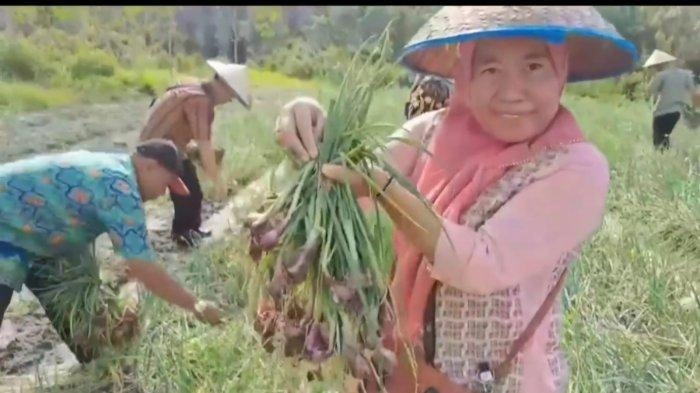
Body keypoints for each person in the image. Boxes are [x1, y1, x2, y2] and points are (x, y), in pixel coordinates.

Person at [273, 6, 637, 393]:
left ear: (560, 73)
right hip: (398, 369)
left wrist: (385, 189)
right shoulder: (428, 132)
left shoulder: (575, 167)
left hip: (499, 382)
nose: (512, 92)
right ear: (465, 74)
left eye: (534, 67)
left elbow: (479, 264)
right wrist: (310, 122)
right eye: (490, 69)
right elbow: (339, 182)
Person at [0, 139, 224, 364]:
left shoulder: (114, 171)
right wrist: (194, 305)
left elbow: (130, 262)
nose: (161, 194)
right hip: (5, 225)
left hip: (38, 235)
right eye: (165, 184)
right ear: (150, 166)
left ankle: (99, 365)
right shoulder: (120, 187)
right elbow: (142, 265)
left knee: (82, 320)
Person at [140, 59, 252, 248]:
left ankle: (187, 230)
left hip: (156, 144)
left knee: (187, 186)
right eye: (231, 95)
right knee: (191, 191)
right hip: (159, 149)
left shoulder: (191, 89)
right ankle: (185, 233)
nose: (229, 100)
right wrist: (218, 182)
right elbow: (204, 144)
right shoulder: (201, 101)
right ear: (223, 85)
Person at [643, 49, 696, 150]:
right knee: (673, 140)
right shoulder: (686, 74)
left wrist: (650, 80)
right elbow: (693, 92)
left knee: (659, 142)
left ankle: (662, 158)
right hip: (680, 112)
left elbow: (649, 92)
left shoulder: (660, 75)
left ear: (659, 65)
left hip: (662, 112)